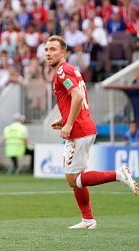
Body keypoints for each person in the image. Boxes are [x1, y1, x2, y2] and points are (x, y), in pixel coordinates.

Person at [45, 35, 137, 229]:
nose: (48, 53)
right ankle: (88, 220)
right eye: (46, 49)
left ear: (63, 53)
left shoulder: (62, 71)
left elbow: (78, 97)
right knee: (76, 177)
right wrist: (64, 119)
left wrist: (69, 124)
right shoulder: (71, 70)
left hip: (79, 130)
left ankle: (119, 174)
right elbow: (79, 99)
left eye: (53, 49)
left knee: (73, 179)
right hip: (82, 127)